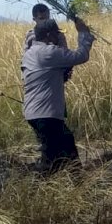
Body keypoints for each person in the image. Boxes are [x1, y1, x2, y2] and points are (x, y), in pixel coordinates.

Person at [21, 16, 95, 172]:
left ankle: (77, 181)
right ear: (48, 35)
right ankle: (42, 187)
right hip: (46, 115)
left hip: (34, 113)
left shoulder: (30, 53)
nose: (59, 36)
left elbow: (47, 75)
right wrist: (83, 34)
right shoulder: (49, 52)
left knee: (66, 142)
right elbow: (81, 56)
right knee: (51, 158)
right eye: (56, 34)